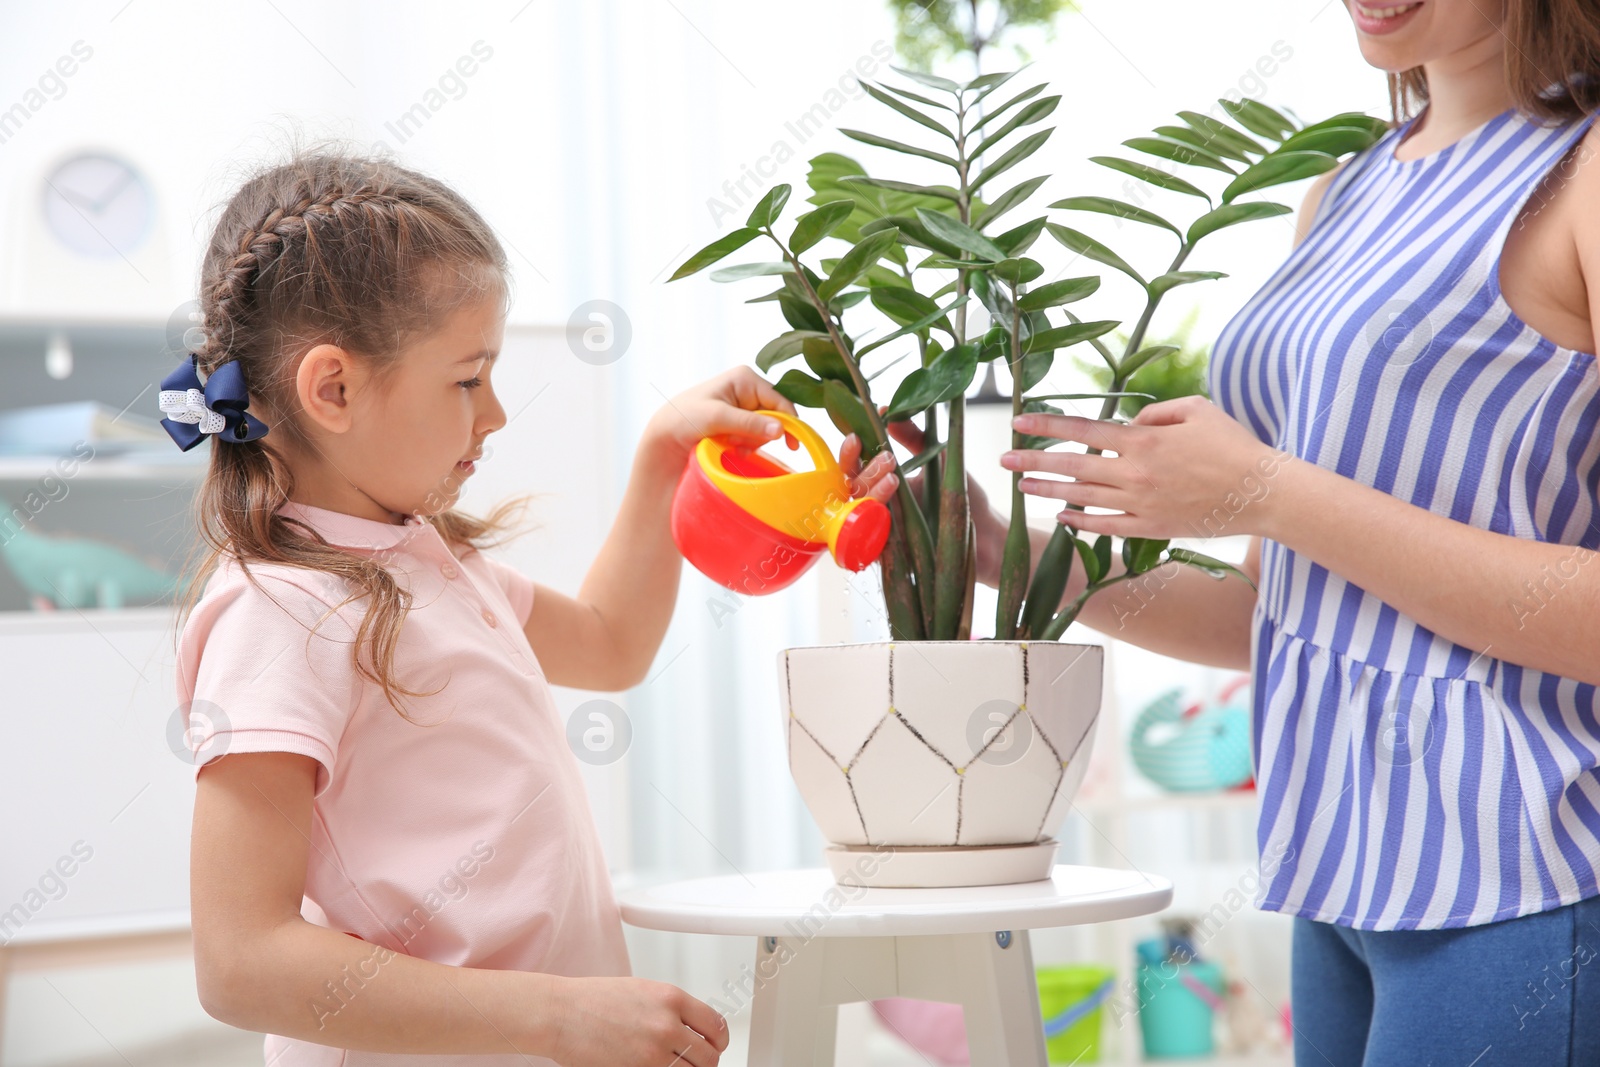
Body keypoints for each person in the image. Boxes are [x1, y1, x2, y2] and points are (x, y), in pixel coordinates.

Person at [173, 150, 899, 1067]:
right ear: (335, 389)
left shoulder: (431, 563)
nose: (496, 413)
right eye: (469, 378)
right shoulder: (279, 614)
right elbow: (240, 961)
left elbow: (608, 644)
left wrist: (667, 457)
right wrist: (559, 1016)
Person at [986, 0, 1600, 1062]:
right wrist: (1012, 557)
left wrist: (1267, 487)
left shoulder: (1581, 173)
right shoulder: (1345, 191)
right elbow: (1274, 610)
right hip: (1338, 880)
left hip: (1527, 875)